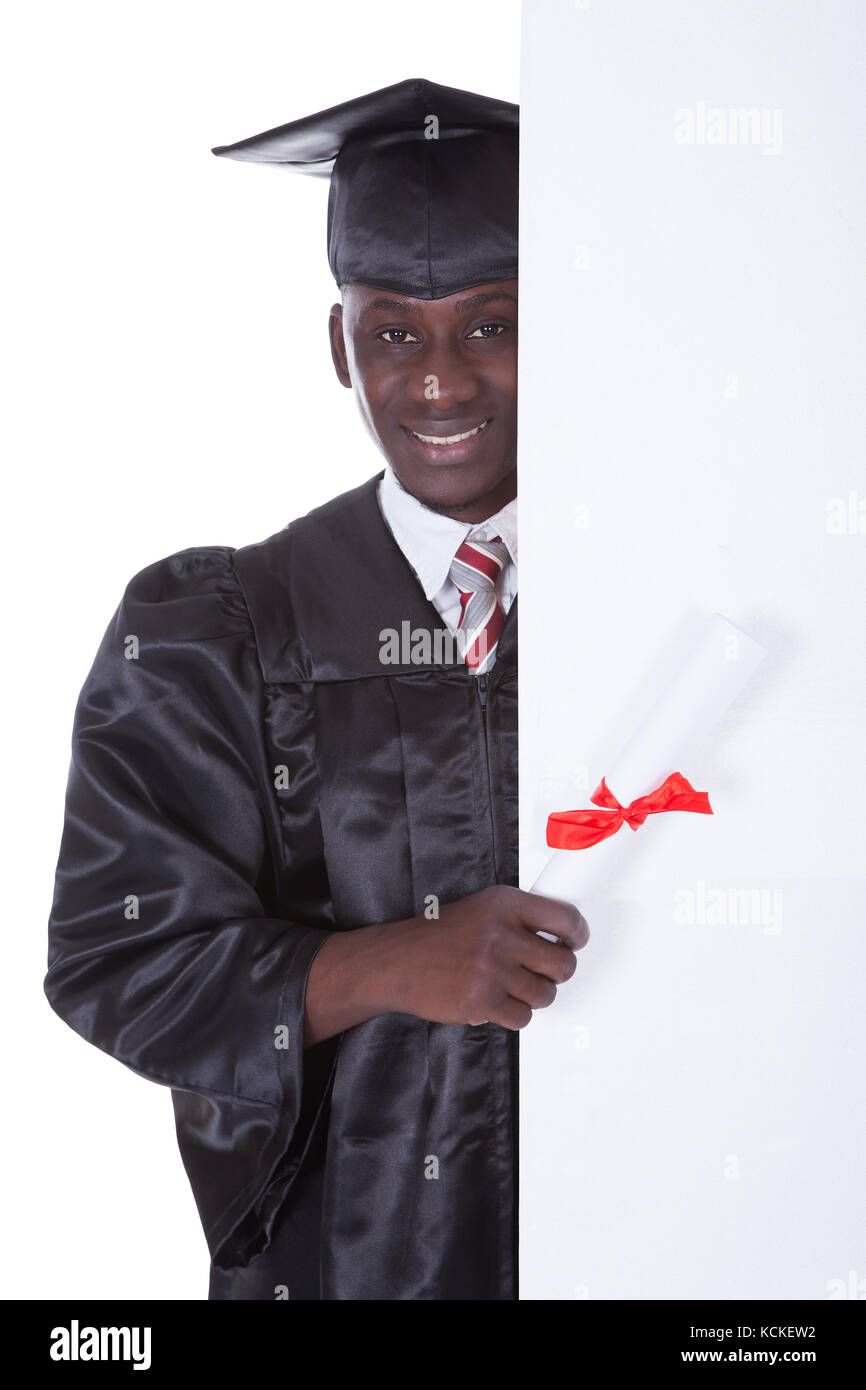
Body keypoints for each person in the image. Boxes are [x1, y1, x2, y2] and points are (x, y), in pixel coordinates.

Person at [44, 78, 589, 1301]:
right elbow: (114, 962)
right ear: (340, 346)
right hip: (345, 1270)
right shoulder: (215, 630)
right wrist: (395, 963)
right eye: (394, 330)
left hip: (648, 1255)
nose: (441, 380)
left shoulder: (667, 609)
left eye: (493, 325)